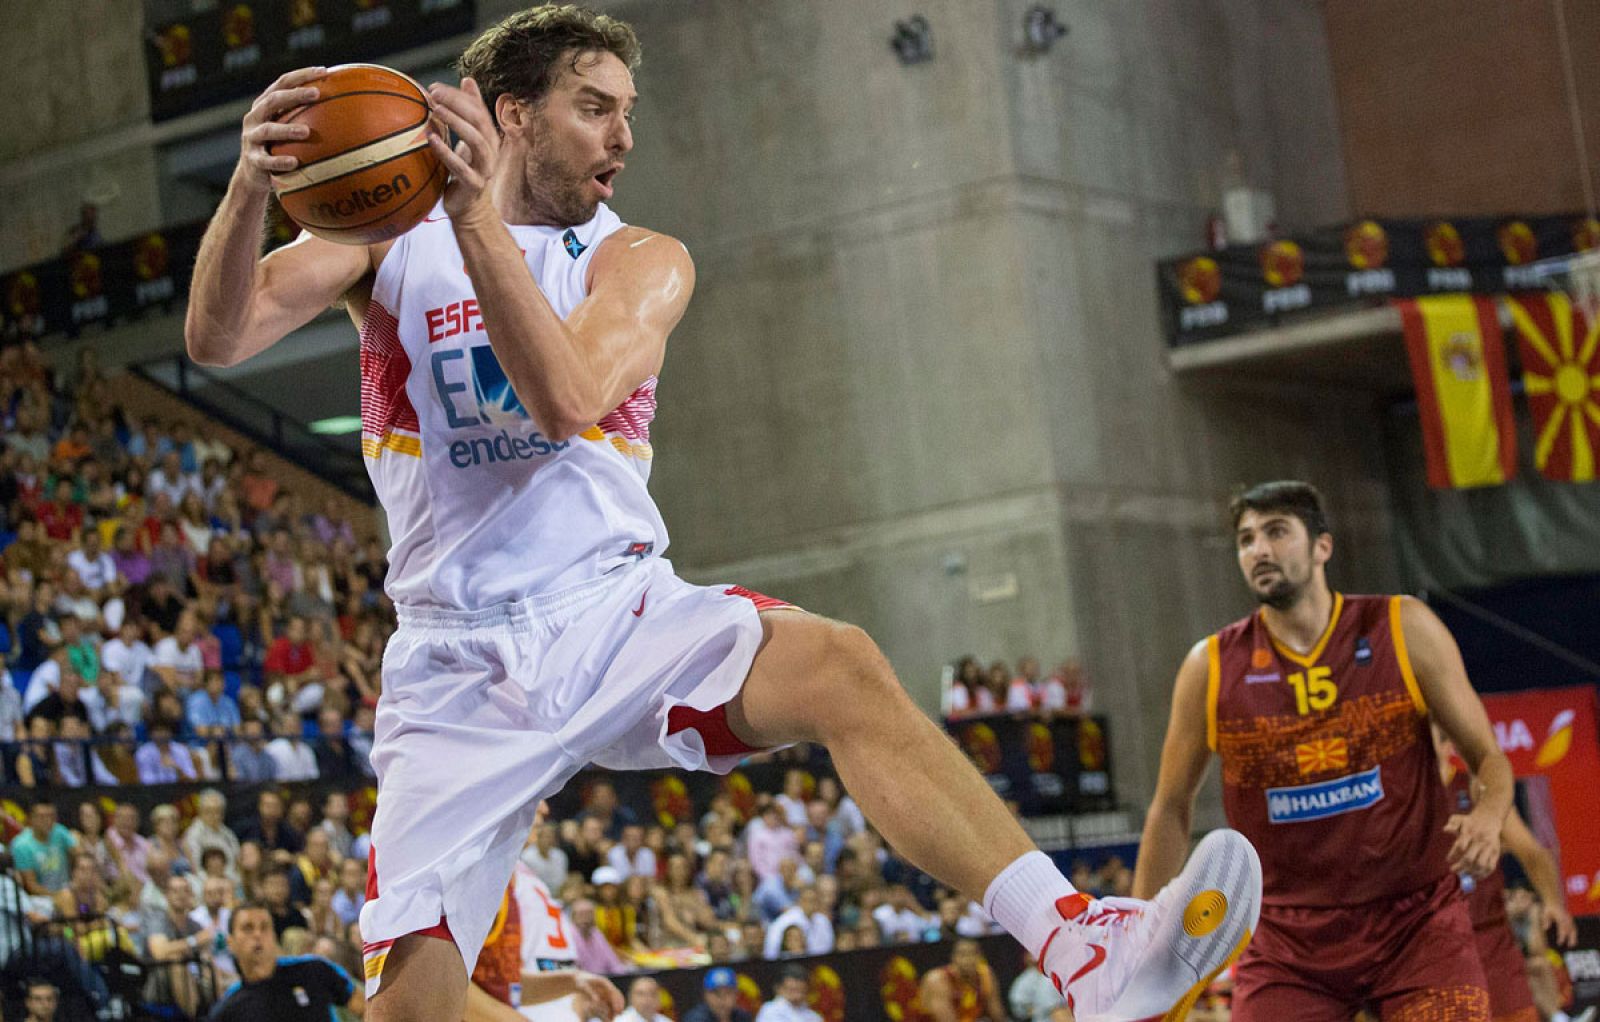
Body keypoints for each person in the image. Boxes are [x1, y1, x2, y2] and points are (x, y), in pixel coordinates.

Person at [183, 8, 1256, 1020]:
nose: (624, 136)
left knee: (838, 663)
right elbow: (216, 339)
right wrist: (247, 186)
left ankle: (1080, 945)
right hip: (453, 661)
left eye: (628, 110)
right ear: (511, 112)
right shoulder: (389, 236)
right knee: (410, 1006)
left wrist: (474, 224)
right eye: (595, 106)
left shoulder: (638, 258)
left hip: (610, 610)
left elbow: (563, 398)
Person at [1134, 481, 1514, 1021]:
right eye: (1245, 540)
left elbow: (1488, 756)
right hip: (1287, 944)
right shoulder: (1211, 666)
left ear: (1322, 547)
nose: (1258, 550)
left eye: (1276, 532)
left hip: (1418, 926)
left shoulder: (1403, 628)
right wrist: (1135, 935)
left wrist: (1490, 816)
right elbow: (1170, 806)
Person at [1434, 725, 1578, 1022]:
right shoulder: (1399, 800)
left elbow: (1531, 852)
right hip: (1436, 953)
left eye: (1428, 741)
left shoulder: (1475, 790)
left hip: (1492, 948)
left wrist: (1553, 902)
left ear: (1448, 747)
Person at [211, 901, 366, 1020]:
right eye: (248, 928)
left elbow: (367, 1010)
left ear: (274, 936)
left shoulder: (315, 969)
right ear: (230, 943)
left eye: (265, 927)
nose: (258, 935)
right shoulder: (228, 1008)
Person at [917, 937, 1006, 1022]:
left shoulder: (985, 974)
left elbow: (997, 1014)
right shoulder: (938, 979)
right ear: (953, 957)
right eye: (963, 954)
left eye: (973, 954)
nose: (968, 959)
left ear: (980, 957)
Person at [11, 801, 77, 896]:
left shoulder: (60, 831)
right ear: (31, 819)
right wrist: (59, 896)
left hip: (68, 890)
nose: (48, 821)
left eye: (51, 816)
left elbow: (80, 857)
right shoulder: (21, 845)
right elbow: (31, 886)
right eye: (42, 817)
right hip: (39, 899)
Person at [683, 967, 753, 1022]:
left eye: (728, 993)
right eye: (716, 993)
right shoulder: (695, 1019)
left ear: (736, 995)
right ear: (705, 995)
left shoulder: (743, 1017)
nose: (722, 999)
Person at [754, 966, 820, 1022]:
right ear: (779, 989)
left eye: (801, 990)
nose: (797, 996)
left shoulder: (814, 1016)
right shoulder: (769, 1010)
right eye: (792, 990)